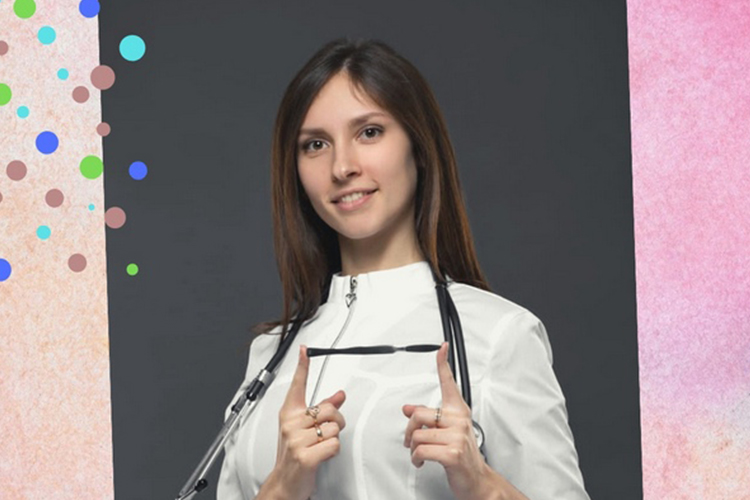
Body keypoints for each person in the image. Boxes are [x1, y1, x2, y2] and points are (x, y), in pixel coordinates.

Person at [217, 37, 589, 500]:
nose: (342, 167)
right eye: (315, 144)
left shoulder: (498, 336)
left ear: (419, 145)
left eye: (369, 132)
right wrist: (282, 487)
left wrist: (481, 484)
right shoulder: (271, 355)